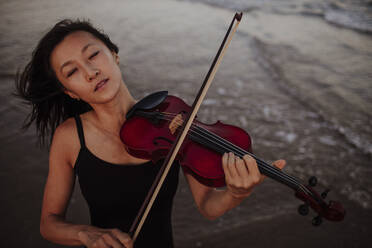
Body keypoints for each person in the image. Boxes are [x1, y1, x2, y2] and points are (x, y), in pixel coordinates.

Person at [15, 19, 286, 248]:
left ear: (114, 54)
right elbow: (49, 223)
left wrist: (237, 193)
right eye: (72, 71)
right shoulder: (70, 137)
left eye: (93, 55)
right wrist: (86, 234)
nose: (91, 72)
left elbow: (208, 205)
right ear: (70, 91)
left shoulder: (174, 117)